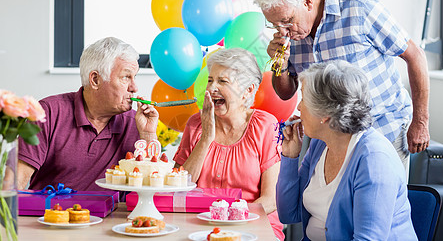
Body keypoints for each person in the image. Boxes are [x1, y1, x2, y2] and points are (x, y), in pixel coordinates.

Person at [254, 0, 430, 170]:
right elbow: (285, 93)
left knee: (378, 200)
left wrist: (421, 122)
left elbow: (415, 56)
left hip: (383, 129)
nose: (282, 32)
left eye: (286, 21)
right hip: (329, 139)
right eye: (274, 25)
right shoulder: (290, 34)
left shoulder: (359, 8)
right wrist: (281, 65)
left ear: (308, 2)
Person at [278, 60, 417, 240]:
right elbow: (289, 213)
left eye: (303, 99)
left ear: (325, 113)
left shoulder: (374, 160)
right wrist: (290, 156)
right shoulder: (321, 144)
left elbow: (367, 238)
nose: (298, 107)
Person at [18, 37, 159, 191]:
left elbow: (152, 188)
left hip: (114, 215)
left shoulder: (135, 122)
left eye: (134, 77)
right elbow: (15, 182)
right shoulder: (47, 113)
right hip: (53, 213)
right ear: (95, 80)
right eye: (126, 77)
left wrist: (147, 134)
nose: (134, 87)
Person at [173, 48, 284, 240]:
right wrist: (206, 137)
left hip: (255, 226)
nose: (211, 88)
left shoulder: (265, 125)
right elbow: (178, 188)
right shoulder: (195, 124)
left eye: (222, 81)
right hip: (200, 227)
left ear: (247, 90)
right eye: (210, 80)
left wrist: (228, 222)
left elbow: (270, 200)